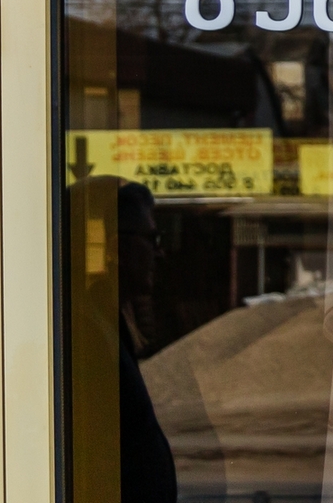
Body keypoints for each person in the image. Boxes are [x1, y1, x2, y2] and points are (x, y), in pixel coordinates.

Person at [114, 181, 179, 503]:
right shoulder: (89, 333)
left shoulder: (112, 323)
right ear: (117, 247)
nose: (158, 253)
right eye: (151, 239)